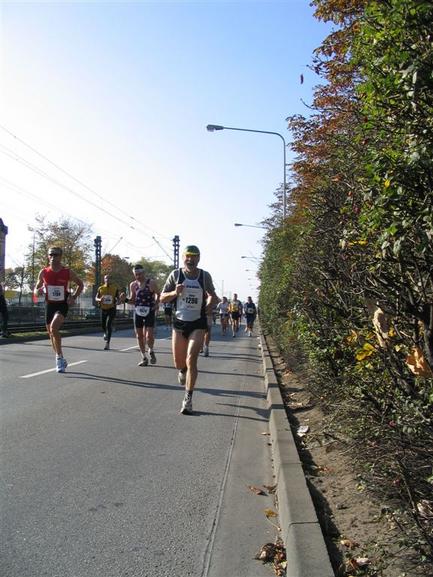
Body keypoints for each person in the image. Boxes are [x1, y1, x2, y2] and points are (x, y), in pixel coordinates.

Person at [160, 245, 218, 415]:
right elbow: (162, 298)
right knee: (179, 363)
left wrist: (209, 305)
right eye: (188, 256)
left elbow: (212, 296)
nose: (190, 259)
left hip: (198, 322)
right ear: (183, 258)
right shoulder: (175, 275)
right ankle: (182, 371)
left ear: (198, 259)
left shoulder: (204, 276)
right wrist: (175, 293)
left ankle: (188, 399)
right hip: (179, 323)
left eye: (194, 256)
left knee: (191, 359)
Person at [34, 247, 84, 373]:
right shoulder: (43, 272)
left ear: (60, 257)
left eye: (56, 255)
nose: (53, 257)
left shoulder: (67, 272)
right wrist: (37, 291)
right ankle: (59, 356)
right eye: (50, 254)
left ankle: (59, 360)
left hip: (62, 304)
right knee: (51, 334)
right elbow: (36, 288)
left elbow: (80, 284)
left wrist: (73, 297)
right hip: (50, 304)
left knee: (54, 328)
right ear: (48, 256)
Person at [127, 264, 159, 367]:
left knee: (149, 336)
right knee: (139, 335)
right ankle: (144, 357)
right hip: (138, 312)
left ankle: (151, 350)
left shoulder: (151, 283)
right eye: (136, 274)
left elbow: (158, 294)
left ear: (144, 273)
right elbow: (132, 300)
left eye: (140, 274)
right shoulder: (133, 285)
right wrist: (125, 300)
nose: (138, 276)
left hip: (149, 310)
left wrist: (156, 304)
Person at [95, 274, 120, 350]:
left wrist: (118, 302)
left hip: (112, 308)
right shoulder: (100, 288)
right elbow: (96, 298)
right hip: (103, 309)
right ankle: (105, 332)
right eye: (106, 278)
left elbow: (118, 299)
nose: (107, 280)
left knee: (108, 324)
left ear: (111, 280)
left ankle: (107, 344)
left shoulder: (115, 288)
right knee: (103, 325)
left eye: (109, 278)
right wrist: (100, 299)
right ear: (104, 280)